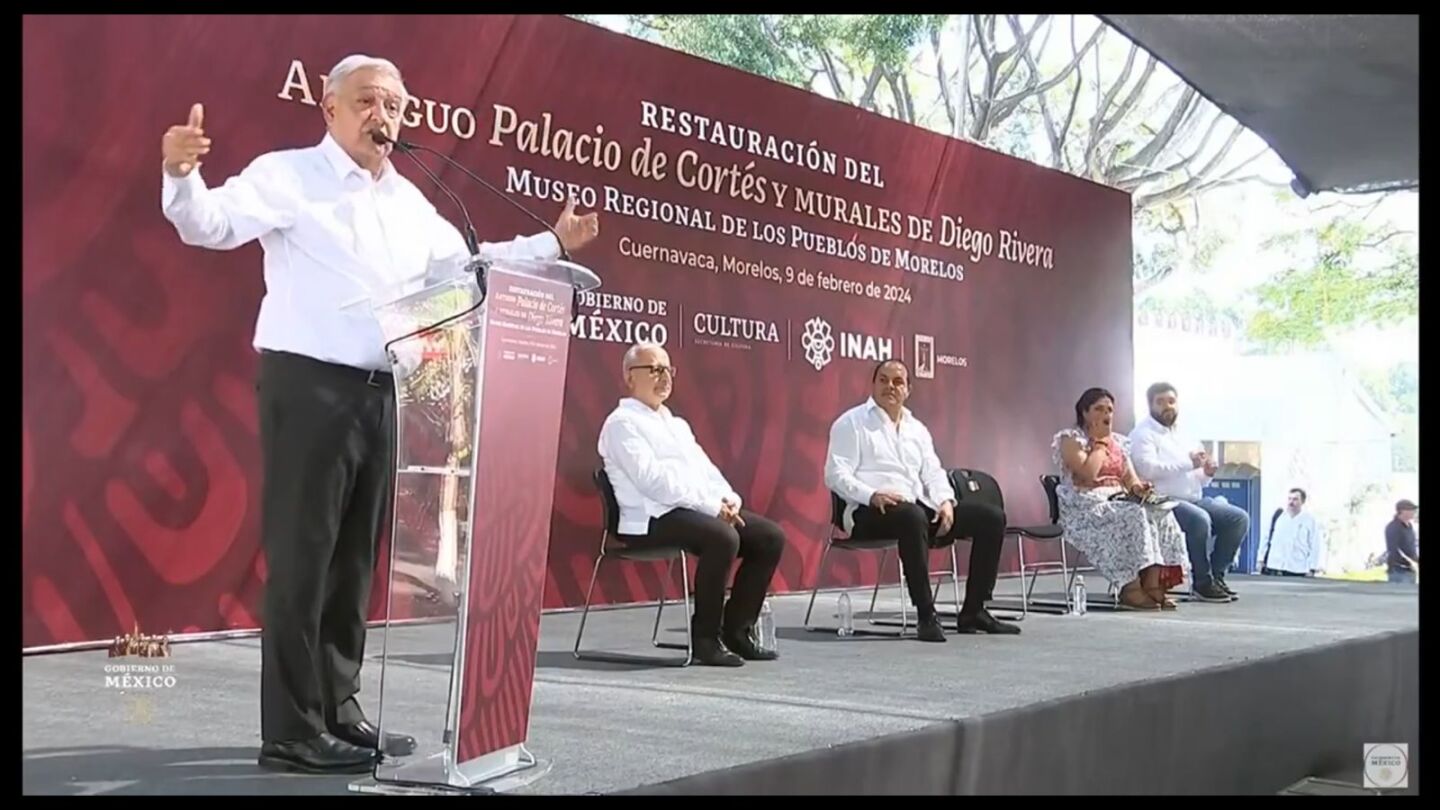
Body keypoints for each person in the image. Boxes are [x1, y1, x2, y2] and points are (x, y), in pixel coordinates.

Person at [159, 54, 600, 773]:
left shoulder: (408, 202)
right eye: (367, 101)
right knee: (304, 561)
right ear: (329, 109)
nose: (384, 117)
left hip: (384, 389)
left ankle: (340, 707)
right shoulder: (289, 175)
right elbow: (209, 225)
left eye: (394, 105)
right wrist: (181, 176)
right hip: (309, 387)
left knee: (352, 564)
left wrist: (551, 245)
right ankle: (293, 730)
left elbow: (468, 268)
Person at [598, 343, 787, 667]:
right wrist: (711, 507)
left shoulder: (676, 424)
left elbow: (707, 471)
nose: (664, 377)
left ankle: (737, 631)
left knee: (769, 536)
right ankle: (705, 639)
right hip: (649, 519)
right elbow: (653, 482)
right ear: (630, 377)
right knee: (722, 537)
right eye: (654, 369)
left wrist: (729, 501)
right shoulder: (621, 424)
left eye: (667, 369)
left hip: (693, 511)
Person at [824, 359, 1019, 642]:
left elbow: (933, 472)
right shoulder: (852, 422)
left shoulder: (917, 429)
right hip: (868, 512)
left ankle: (974, 610)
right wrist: (871, 494)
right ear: (873, 384)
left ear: (909, 389)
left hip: (916, 508)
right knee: (911, 516)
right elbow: (835, 474)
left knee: (991, 518)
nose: (890, 386)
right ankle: (926, 614)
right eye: (884, 380)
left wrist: (945, 501)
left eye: (898, 381)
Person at [1052, 388, 1189, 610]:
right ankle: (1130, 587)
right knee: (1132, 515)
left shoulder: (1120, 442)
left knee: (1158, 511)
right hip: (1086, 504)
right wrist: (1099, 444)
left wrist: (1140, 489)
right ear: (1085, 413)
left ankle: (1154, 585)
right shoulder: (1071, 439)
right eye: (1098, 409)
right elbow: (1088, 475)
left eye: (1110, 410)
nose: (1106, 414)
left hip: (1117, 498)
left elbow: (1130, 479)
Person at [1129, 382, 1248, 603]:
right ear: (1150, 405)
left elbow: (1196, 474)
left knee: (1238, 518)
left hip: (1194, 497)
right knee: (1199, 520)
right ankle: (1201, 582)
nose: (1167, 407)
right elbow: (1146, 469)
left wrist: (1208, 472)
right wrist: (1188, 463)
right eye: (1161, 402)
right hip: (1162, 501)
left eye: (1171, 402)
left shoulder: (1186, 433)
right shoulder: (1142, 434)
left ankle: (1217, 576)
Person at [1260, 488, 1324, 577]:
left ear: (1302, 502)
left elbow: (1315, 545)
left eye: (1295, 499)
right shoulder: (1279, 517)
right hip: (1275, 566)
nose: (1291, 502)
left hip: (1297, 568)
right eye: (1289, 499)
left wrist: (1312, 568)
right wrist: (1260, 559)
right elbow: (1266, 538)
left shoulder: (1309, 520)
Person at [1385, 499, 1419, 585]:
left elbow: (1411, 547)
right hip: (1399, 570)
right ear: (1402, 511)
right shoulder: (1393, 527)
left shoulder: (1410, 527)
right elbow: (1394, 549)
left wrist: (1416, 560)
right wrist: (1410, 562)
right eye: (1411, 509)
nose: (1414, 512)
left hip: (1410, 570)